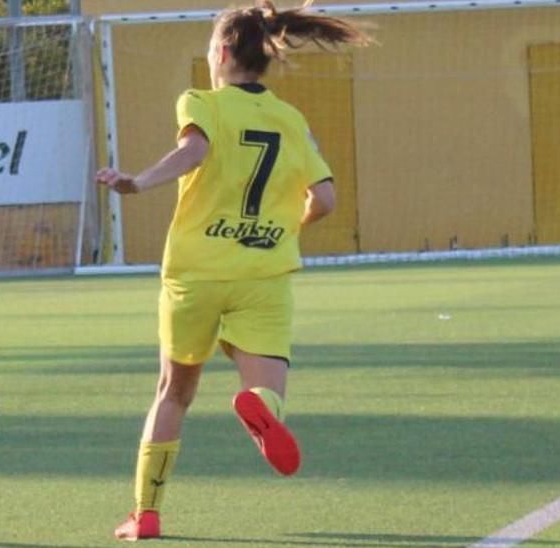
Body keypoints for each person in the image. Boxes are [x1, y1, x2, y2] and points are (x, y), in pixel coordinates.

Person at [96, 1, 372, 540]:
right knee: (269, 387)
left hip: (195, 273)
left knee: (173, 393)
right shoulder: (291, 119)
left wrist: (138, 182)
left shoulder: (201, 101)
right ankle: (260, 406)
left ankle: (145, 513)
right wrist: (289, 225)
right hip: (262, 272)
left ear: (222, 53)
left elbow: (193, 152)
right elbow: (328, 198)